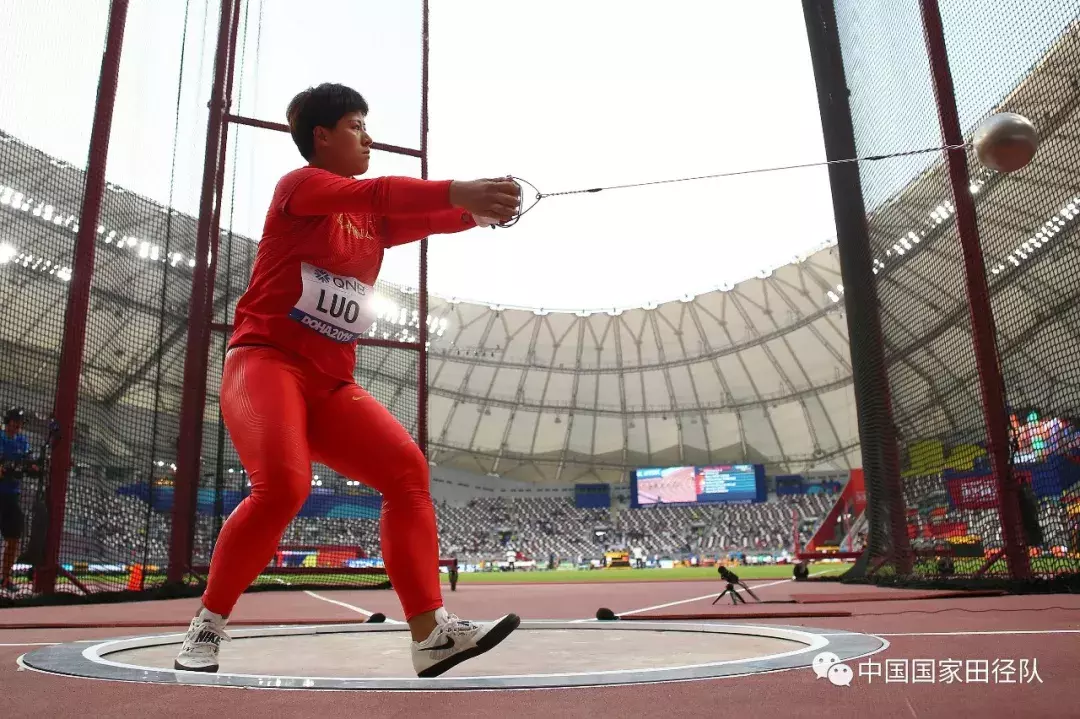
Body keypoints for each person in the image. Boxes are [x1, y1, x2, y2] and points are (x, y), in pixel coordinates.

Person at [174, 83, 521, 678]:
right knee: (283, 487)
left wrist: (476, 212)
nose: (368, 137)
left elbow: (422, 214)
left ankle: (430, 633)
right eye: (357, 126)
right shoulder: (300, 187)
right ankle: (206, 625)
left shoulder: (371, 220)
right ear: (322, 137)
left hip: (330, 382)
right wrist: (461, 189)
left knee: (406, 472)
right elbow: (389, 191)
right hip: (264, 362)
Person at [0, 408, 31, 592]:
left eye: (20, 422)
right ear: (7, 421)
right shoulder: (1, 438)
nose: (17, 425)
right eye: (14, 421)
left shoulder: (22, 441)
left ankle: (5, 578)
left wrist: (32, 465)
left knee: (14, 537)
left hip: (12, 494)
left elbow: (27, 460)